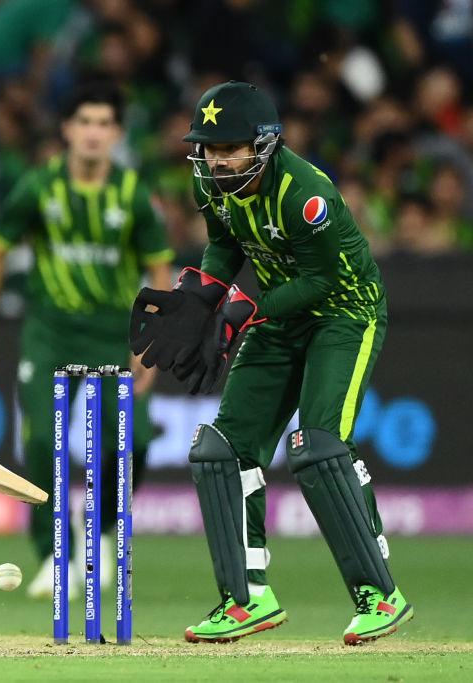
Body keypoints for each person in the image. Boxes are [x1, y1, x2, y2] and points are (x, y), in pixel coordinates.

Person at [130, 81, 413, 645]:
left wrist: (245, 311)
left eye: (230, 148)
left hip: (344, 315)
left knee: (319, 446)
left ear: (263, 145)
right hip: (281, 318)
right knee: (220, 449)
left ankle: (380, 594)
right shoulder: (211, 183)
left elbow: (324, 280)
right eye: (209, 149)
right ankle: (246, 600)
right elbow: (225, 245)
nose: (217, 160)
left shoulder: (305, 194)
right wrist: (203, 298)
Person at [0, 83, 173, 598]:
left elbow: (158, 270)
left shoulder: (133, 193)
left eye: (104, 123)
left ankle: (101, 533)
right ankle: (54, 554)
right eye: (85, 122)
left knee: (133, 442)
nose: (93, 133)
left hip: (113, 335)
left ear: (117, 133)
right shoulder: (39, 187)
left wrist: (152, 342)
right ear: (67, 130)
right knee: (40, 441)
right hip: (50, 334)